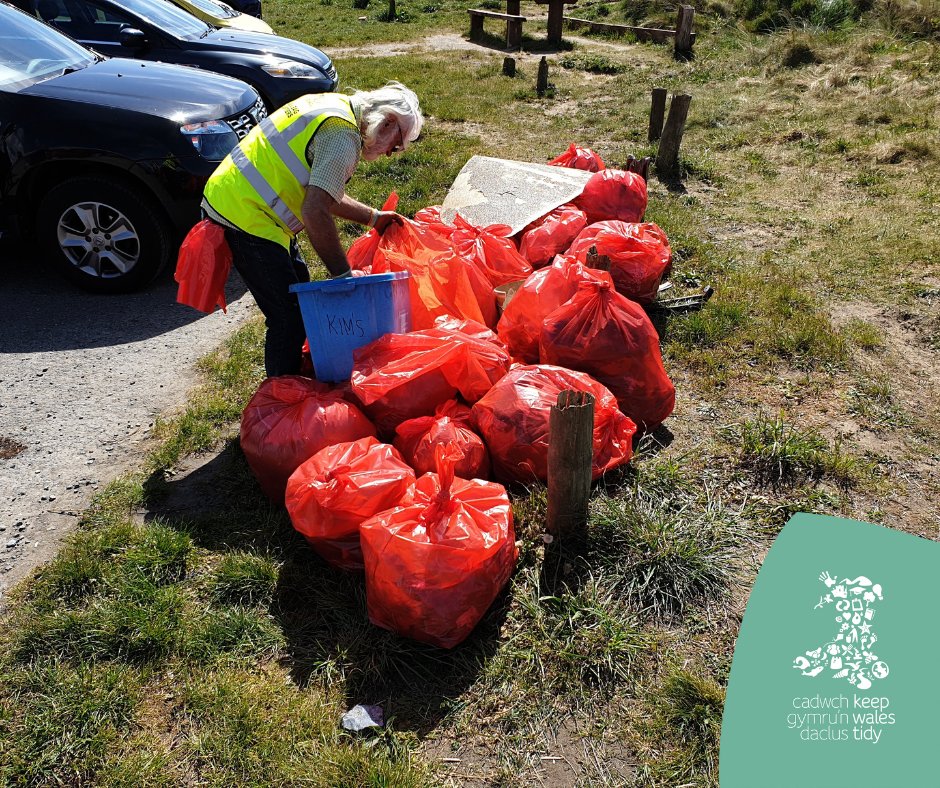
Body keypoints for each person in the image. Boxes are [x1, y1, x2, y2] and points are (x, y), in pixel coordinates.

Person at [201, 81, 424, 377]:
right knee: (288, 317)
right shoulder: (342, 137)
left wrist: (373, 217)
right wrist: (344, 277)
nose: (388, 154)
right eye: (395, 146)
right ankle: (280, 400)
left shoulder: (335, 107)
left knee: (301, 296)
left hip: (240, 195)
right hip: (244, 213)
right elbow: (315, 210)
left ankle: (293, 375)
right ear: (388, 122)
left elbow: (322, 191)